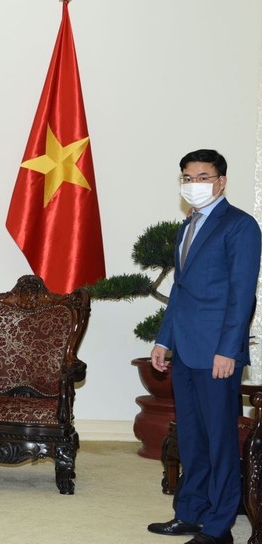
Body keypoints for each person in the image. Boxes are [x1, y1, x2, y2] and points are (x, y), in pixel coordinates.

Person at [148, 149, 261, 544]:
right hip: (186, 351)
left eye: (202, 176)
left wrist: (229, 350)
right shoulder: (187, 226)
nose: (193, 184)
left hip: (218, 354)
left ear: (221, 181)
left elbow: (242, 294)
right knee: (192, 438)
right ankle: (190, 513)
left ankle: (219, 528)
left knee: (220, 441)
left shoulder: (241, 227)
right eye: (186, 177)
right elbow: (179, 291)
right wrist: (164, 339)